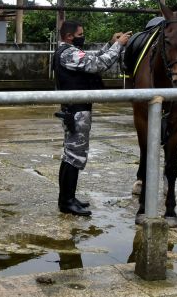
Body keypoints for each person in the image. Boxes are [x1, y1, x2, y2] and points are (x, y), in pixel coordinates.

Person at [53, 20, 131, 217]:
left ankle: (68, 198)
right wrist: (119, 45)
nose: (83, 36)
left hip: (76, 109)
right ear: (70, 36)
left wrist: (109, 43)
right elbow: (97, 64)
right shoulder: (68, 53)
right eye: (81, 34)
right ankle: (67, 202)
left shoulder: (68, 51)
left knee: (70, 154)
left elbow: (91, 57)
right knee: (74, 156)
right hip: (76, 111)